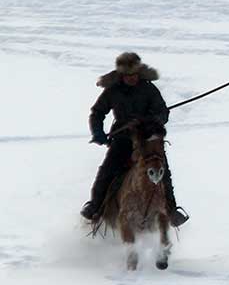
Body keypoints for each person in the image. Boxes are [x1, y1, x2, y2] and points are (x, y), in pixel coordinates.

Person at [80, 52, 189, 226]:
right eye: (128, 76)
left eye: (134, 75)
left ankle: (171, 210)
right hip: (123, 140)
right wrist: (98, 132)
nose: (132, 78)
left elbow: (163, 113)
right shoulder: (113, 91)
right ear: (122, 75)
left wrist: (148, 120)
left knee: (163, 172)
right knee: (107, 171)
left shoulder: (149, 89)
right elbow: (98, 112)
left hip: (148, 139)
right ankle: (95, 207)